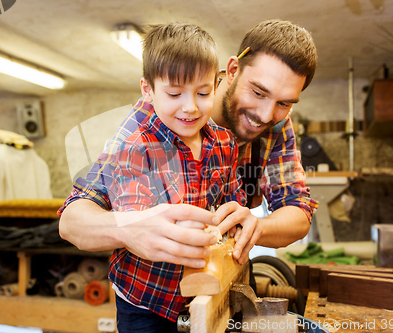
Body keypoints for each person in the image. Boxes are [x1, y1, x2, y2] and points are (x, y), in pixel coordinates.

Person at [59, 16, 318, 312]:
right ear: (232, 70)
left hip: (226, 287)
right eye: (258, 92)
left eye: (284, 103)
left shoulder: (277, 124)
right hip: (153, 300)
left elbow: (298, 210)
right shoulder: (153, 119)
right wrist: (129, 228)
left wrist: (254, 225)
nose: (266, 114)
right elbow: (72, 219)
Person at [95, 23, 246, 331]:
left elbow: (234, 199)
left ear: (216, 86)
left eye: (203, 93)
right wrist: (185, 226)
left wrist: (235, 217)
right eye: (174, 93)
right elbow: (137, 223)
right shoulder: (135, 147)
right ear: (148, 90)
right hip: (145, 299)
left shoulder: (224, 142)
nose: (190, 107)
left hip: (204, 287)